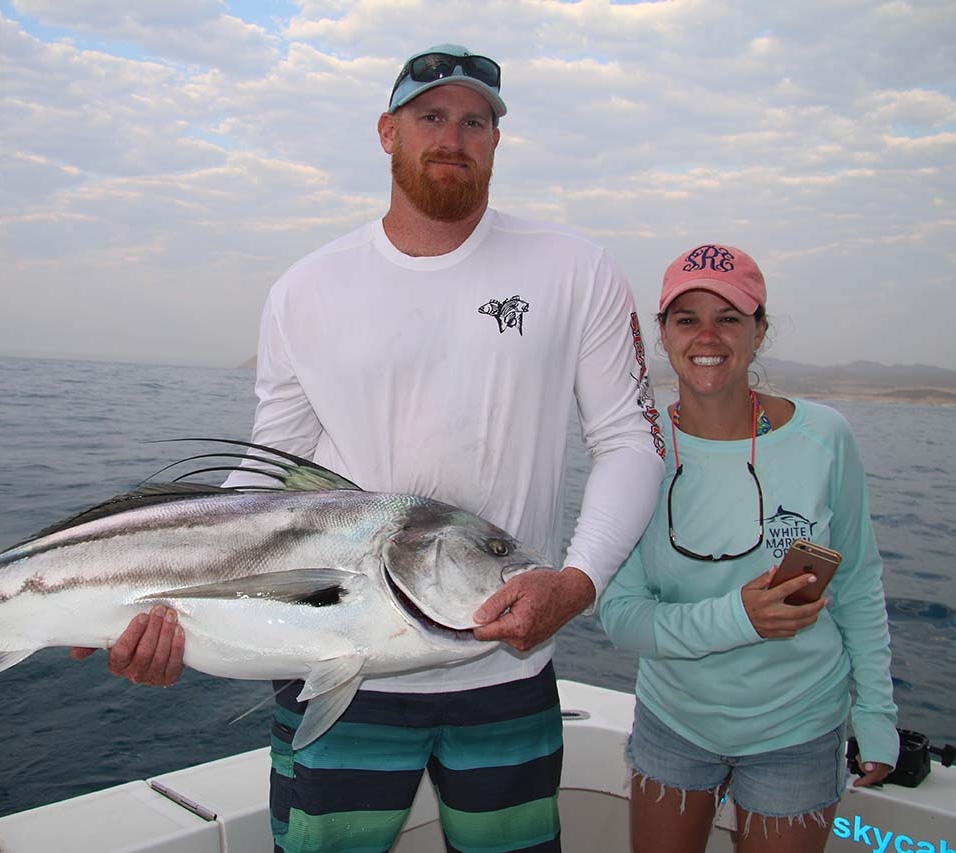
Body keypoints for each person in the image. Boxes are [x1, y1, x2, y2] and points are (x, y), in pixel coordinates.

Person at [78, 44, 665, 851]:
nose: (452, 137)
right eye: (431, 117)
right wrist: (140, 592)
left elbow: (629, 439)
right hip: (334, 661)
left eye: (475, 122)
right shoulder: (306, 289)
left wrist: (577, 580)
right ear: (388, 132)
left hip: (507, 667)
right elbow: (262, 481)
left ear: (497, 141)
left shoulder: (576, 269)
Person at [598, 244, 899, 853]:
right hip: (674, 722)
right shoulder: (635, 450)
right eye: (687, 319)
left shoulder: (825, 437)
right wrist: (740, 617)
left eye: (729, 318)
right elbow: (619, 615)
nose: (708, 336)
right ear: (663, 334)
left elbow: (859, 583)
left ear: (759, 332)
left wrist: (876, 715)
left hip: (801, 728)